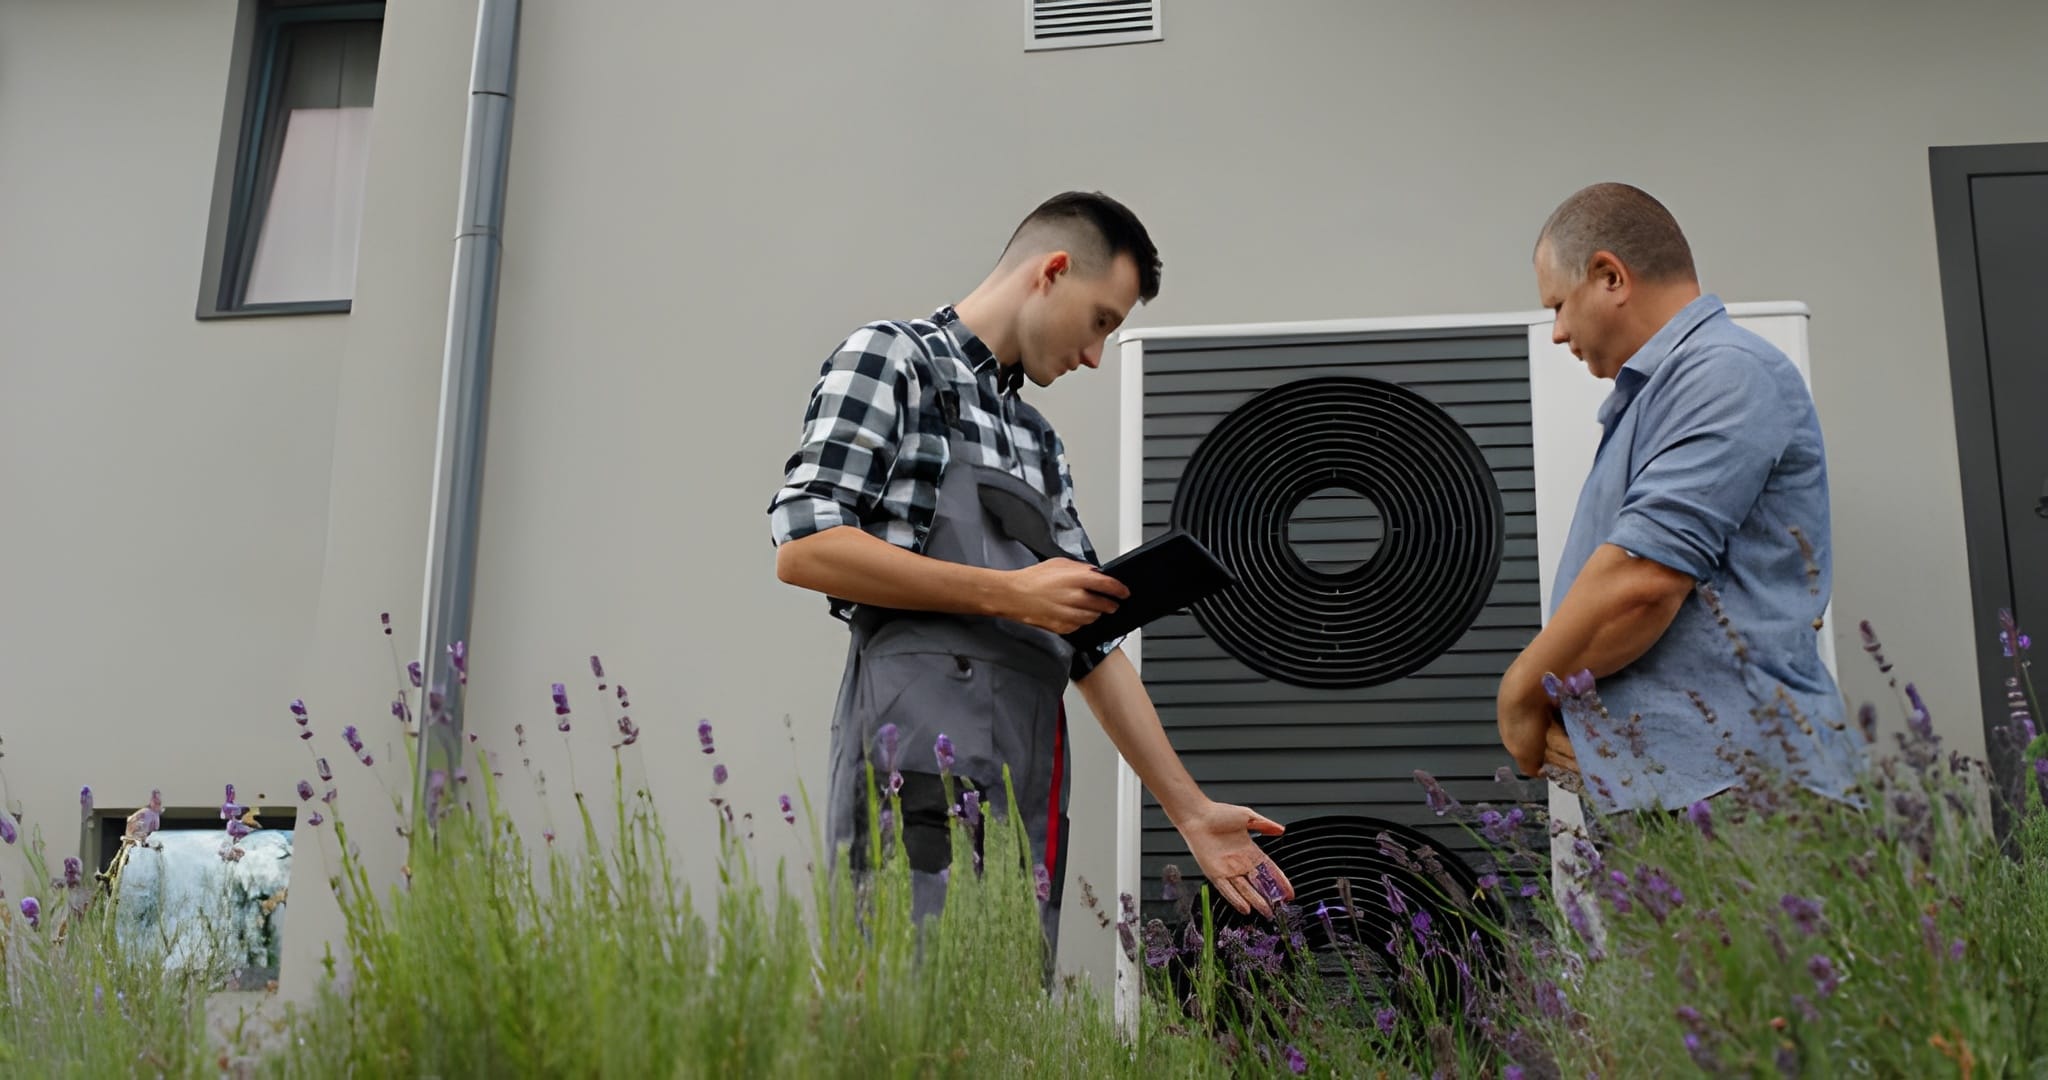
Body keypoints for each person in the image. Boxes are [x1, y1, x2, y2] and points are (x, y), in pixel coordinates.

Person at [767, 191, 1294, 963]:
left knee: (1007, 1024)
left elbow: (1090, 638)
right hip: (916, 757)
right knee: (903, 1012)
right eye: (1102, 321)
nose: (1094, 355)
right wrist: (1012, 593)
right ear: (1051, 271)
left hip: (1028, 779)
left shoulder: (1037, 442)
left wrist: (1189, 810)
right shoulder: (893, 359)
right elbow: (804, 545)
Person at [1498, 182, 1862, 814]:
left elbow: (1639, 586)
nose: (1556, 332)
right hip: (1691, 796)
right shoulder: (1662, 393)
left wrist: (1520, 695)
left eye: (1559, 304)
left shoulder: (1724, 371)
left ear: (1610, 276)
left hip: (1739, 796)